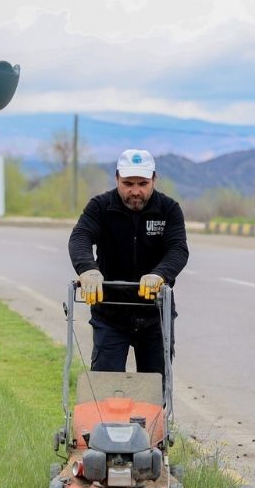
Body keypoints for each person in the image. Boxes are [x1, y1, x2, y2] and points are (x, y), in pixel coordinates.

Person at [68, 149, 189, 373]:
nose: (135, 191)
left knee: (154, 389)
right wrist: (88, 269)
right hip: (110, 314)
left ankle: (152, 409)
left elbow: (178, 250)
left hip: (155, 315)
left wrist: (159, 274)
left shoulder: (169, 209)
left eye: (142, 183)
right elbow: (80, 237)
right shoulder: (100, 206)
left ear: (153, 179)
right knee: (106, 386)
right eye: (128, 183)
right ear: (117, 179)